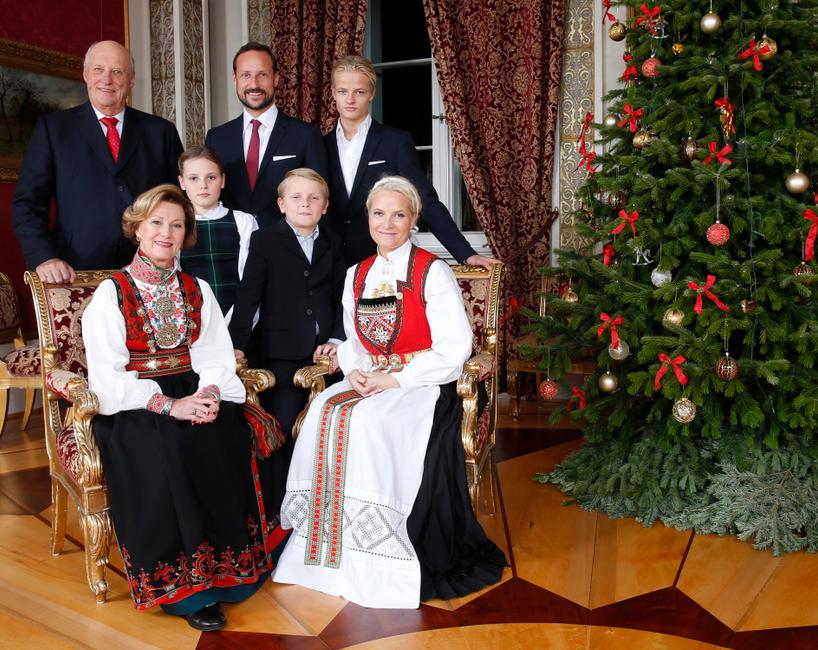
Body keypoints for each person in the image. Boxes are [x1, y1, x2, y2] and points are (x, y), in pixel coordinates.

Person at [273, 176, 505, 609]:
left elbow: (454, 348)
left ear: (414, 219)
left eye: (398, 215)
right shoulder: (356, 274)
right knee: (324, 411)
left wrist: (394, 379)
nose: (387, 223)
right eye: (379, 213)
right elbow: (353, 341)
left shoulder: (432, 271)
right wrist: (358, 372)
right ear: (368, 218)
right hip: (372, 376)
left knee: (370, 421)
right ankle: (327, 548)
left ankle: (380, 552)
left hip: (425, 382)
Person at [82, 184, 288, 631]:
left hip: (193, 390)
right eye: (156, 222)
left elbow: (215, 355)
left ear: (186, 234)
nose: (166, 232)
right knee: (167, 447)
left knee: (222, 432)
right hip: (133, 404)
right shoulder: (110, 294)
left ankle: (231, 569)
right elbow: (106, 378)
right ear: (137, 228)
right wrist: (169, 405)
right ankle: (188, 590)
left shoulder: (197, 289)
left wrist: (209, 394)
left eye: (177, 225)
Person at [12, 41, 183, 283]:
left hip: (149, 271)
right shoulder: (54, 129)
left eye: (117, 71)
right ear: (85, 74)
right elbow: (27, 205)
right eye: (98, 69)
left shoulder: (161, 132)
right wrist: (45, 257)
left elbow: (179, 202)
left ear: (131, 80)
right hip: (75, 274)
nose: (107, 79)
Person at [325, 55, 498, 270]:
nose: (350, 99)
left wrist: (465, 253)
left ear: (372, 93)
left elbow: (425, 199)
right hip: (328, 264)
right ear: (333, 93)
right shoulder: (320, 145)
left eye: (359, 92)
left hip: (381, 262)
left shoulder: (395, 142)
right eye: (343, 91)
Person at [229, 168, 345, 452]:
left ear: (325, 206)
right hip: (282, 352)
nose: (305, 203)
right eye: (296, 197)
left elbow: (343, 296)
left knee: (333, 424)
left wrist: (337, 339)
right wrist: (236, 344)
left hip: (326, 353)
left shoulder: (333, 242)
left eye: (314, 198)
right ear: (282, 204)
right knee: (286, 424)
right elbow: (249, 296)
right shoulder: (265, 240)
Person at [205, 42, 328, 229]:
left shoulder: (306, 135)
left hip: (287, 243)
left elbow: (320, 197)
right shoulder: (216, 138)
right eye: (246, 75)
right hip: (231, 242)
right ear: (235, 79)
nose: (254, 84)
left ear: (276, 79)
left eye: (262, 75)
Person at [177, 145, 258, 322]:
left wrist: (238, 320)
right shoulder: (176, 224)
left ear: (222, 180)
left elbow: (253, 279)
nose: (203, 185)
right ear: (182, 182)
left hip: (239, 317)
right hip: (191, 317)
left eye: (211, 177)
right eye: (193, 178)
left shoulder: (243, 221)